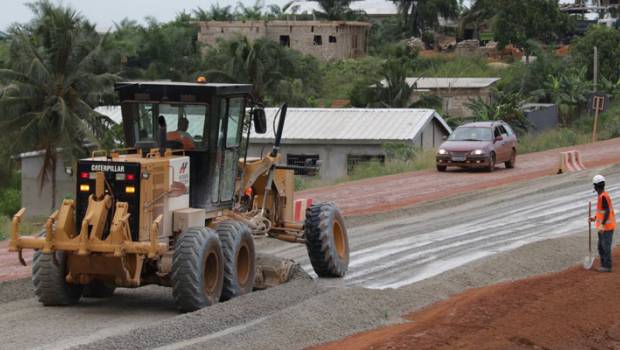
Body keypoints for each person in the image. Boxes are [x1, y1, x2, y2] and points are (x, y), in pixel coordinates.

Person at [589, 174, 616, 272]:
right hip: (603, 227)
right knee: (601, 246)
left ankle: (607, 266)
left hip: (607, 227)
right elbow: (602, 212)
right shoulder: (601, 196)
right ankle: (603, 264)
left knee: (605, 246)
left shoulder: (603, 196)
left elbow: (607, 211)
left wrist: (602, 224)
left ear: (596, 186)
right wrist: (594, 218)